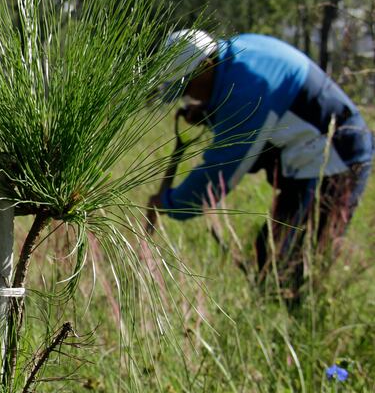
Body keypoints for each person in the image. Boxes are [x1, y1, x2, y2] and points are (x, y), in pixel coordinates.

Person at [149, 30, 372, 299]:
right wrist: (209, 113)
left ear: (205, 66)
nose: (189, 98)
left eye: (187, 88)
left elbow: (220, 170)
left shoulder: (247, 90)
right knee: (271, 253)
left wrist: (172, 203)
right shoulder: (239, 55)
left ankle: (300, 328)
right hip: (313, 156)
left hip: (335, 161)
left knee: (290, 264)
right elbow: (269, 108)